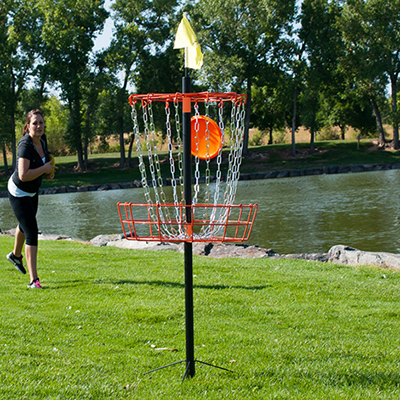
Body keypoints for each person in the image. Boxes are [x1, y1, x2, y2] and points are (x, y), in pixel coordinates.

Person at [6, 109, 57, 289]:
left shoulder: (42, 140)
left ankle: (15, 255)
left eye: (41, 122)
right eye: (35, 123)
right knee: (31, 231)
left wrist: (48, 172)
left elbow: (43, 162)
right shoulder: (24, 145)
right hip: (18, 191)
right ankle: (34, 281)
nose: (39, 126)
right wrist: (44, 169)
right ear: (27, 126)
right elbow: (23, 175)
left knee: (24, 224)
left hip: (32, 192)